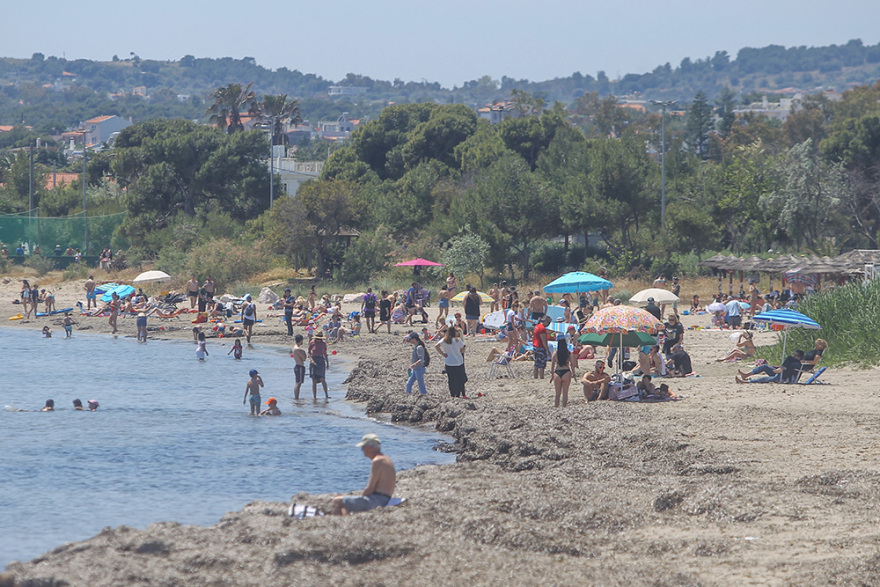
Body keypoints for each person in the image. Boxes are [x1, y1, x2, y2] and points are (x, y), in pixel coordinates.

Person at [331, 433, 396, 515]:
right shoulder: (387, 459)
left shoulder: (377, 461)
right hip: (385, 498)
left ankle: (337, 524)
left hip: (377, 500)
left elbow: (370, 488)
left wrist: (361, 497)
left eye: (363, 447)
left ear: (371, 447)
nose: (362, 449)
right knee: (345, 502)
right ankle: (346, 521)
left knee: (337, 501)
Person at [435, 326, 467, 398]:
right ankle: (462, 394)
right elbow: (463, 349)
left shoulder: (445, 340)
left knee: (451, 379)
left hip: (449, 362)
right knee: (460, 379)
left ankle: (452, 394)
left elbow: (436, 346)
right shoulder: (457, 340)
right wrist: (460, 351)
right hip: (458, 361)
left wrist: (443, 354)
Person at [737, 350, 804, 384]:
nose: (794, 357)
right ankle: (746, 375)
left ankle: (748, 381)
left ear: (799, 357)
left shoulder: (798, 364)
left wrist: (782, 369)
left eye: (795, 355)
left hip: (782, 377)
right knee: (764, 366)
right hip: (779, 373)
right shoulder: (792, 361)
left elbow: (793, 375)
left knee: (764, 379)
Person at [550, 335, 576, 408]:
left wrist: (552, 375)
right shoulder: (568, 353)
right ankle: (564, 407)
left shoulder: (555, 353)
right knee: (565, 393)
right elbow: (572, 365)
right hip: (566, 372)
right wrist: (574, 374)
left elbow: (552, 366)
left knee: (557, 394)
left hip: (557, 372)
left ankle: (556, 407)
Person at [309, 331, 330, 399]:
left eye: (319, 338)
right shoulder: (312, 343)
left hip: (321, 361)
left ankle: (326, 395)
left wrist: (327, 363)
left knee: (322, 379)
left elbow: (325, 353)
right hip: (314, 361)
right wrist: (311, 360)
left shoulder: (323, 344)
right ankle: (314, 397)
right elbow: (309, 353)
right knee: (314, 380)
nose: (318, 340)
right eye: (317, 338)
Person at [291, 334, 307, 400]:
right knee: (298, 383)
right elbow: (303, 358)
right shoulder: (298, 349)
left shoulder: (294, 347)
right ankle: (296, 397)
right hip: (299, 366)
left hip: (297, 365)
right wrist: (304, 353)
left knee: (298, 382)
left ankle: (296, 397)